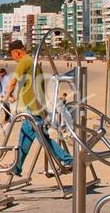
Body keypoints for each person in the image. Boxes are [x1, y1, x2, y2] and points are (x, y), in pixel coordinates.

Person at [4, 39, 72, 175]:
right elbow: (30, 85)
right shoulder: (32, 62)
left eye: (12, 54)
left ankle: (68, 160)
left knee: (42, 140)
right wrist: (16, 97)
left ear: (17, 52)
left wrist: (6, 96)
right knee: (25, 138)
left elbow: (13, 81)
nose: (12, 58)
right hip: (35, 106)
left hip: (32, 109)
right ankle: (17, 167)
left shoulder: (24, 61)